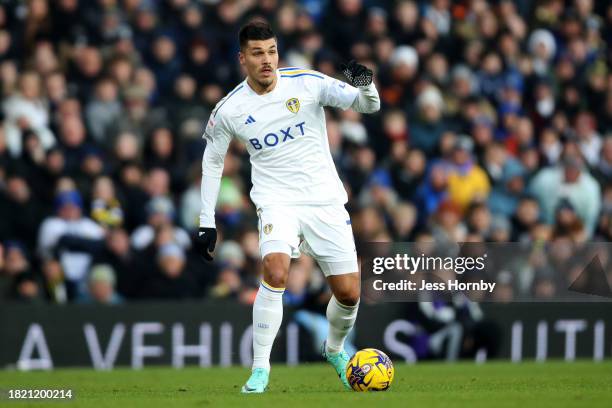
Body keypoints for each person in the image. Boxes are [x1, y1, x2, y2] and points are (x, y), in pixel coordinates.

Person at [193, 20, 380, 393]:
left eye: (272, 51)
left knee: (348, 294)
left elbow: (368, 106)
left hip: (324, 200)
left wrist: (366, 84)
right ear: (242, 58)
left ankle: (335, 350)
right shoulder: (229, 109)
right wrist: (206, 220)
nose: (267, 60)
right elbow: (212, 162)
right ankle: (260, 370)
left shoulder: (307, 82)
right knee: (275, 271)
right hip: (276, 201)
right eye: (258, 53)